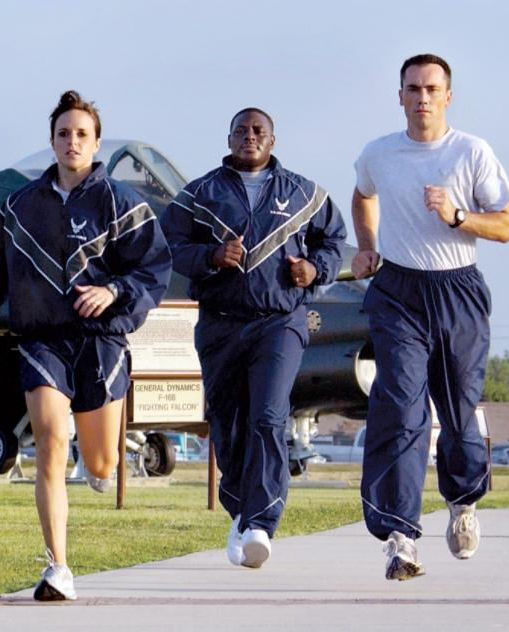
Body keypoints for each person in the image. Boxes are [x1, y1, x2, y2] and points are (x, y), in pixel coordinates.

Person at [0, 90, 172, 600]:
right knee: (51, 443)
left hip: (101, 340)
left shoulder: (122, 203)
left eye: (81, 133)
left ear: (95, 142)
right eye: (63, 133)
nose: (71, 141)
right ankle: (58, 568)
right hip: (42, 340)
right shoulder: (15, 208)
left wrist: (115, 290)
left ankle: (100, 463)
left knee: (101, 464)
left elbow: (154, 268)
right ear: (52, 141)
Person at [351, 54, 509, 580]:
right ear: (399, 96)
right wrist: (367, 245)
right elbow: (362, 195)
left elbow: (507, 225)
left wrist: (458, 215)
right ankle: (400, 537)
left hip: (458, 288)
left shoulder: (472, 151)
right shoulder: (379, 153)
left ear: (448, 96)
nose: (422, 97)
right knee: (399, 408)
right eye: (413, 88)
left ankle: (463, 501)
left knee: (460, 415)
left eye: (432, 88)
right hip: (398, 289)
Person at [161, 107, 346, 569]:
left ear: (273, 140)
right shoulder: (200, 194)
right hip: (221, 323)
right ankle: (241, 511)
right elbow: (166, 246)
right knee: (227, 420)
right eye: (241, 130)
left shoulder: (305, 193)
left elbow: (335, 240)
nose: (249, 137)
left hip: (280, 322)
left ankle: (262, 522)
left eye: (258, 131)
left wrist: (314, 270)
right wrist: (209, 255)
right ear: (228, 138)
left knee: (268, 417)